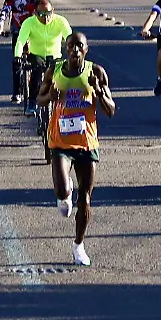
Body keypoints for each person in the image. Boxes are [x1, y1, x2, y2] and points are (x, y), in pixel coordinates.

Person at [37, 32, 116, 266]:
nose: (74, 51)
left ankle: (79, 245)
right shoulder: (55, 70)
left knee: (86, 199)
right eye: (70, 46)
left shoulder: (96, 72)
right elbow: (39, 98)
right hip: (60, 141)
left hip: (86, 143)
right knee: (62, 193)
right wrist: (50, 95)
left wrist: (98, 91)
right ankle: (65, 193)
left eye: (79, 47)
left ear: (86, 50)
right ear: (66, 49)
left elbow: (111, 109)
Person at [0, 0, 46, 104]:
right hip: (18, 31)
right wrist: (0, 25)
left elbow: (45, 10)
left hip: (35, 32)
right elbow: (5, 11)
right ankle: (17, 93)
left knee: (38, 62)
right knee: (17, 62)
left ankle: (40, 87)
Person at [13, 0, 72, 115]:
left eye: (48, 14)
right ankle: (31, 102)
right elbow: (20, 42)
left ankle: (65, 103)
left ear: (53, 11)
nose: (45, 18)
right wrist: (17, 56)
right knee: (37, 70)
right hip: (36, 55)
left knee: (64, 75)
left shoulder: (60, 21)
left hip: (55, 56)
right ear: (35, 13)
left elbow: (70, 39)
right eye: (41, 14)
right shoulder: (29, 23)